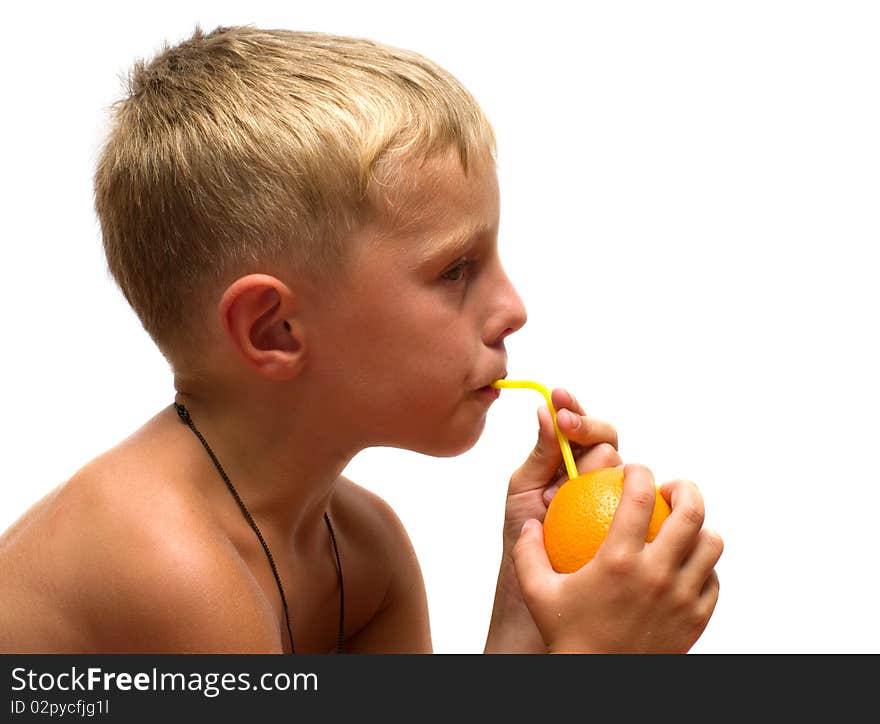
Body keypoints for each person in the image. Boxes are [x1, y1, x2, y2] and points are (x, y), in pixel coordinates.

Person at [0, 25, 722, 654]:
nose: (513, 308)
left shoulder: (364, 552)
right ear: (273, 329)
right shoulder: (171, 567)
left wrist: (527, 629)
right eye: (456, 269)